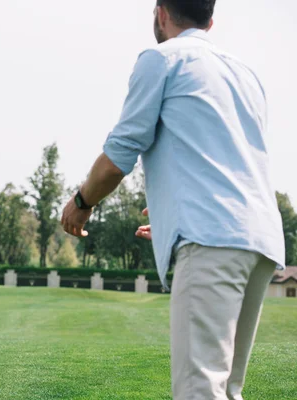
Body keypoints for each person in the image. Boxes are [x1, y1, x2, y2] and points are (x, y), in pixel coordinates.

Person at [60, 1, 285, 399]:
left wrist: (82, 200)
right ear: (210, 21)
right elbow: (230, 159)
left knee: (200, 389)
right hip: (262, 241)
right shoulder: (244, 73)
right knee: (227, 390)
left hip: (212, 238)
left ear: (161, 13)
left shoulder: (161, 58)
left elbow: (120, 155)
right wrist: (170, 212)